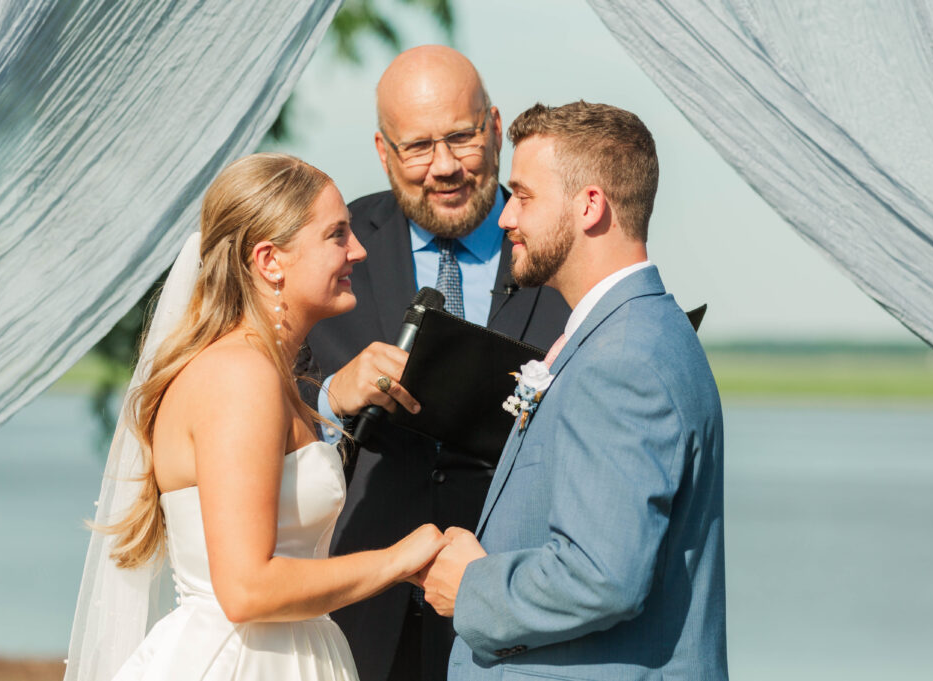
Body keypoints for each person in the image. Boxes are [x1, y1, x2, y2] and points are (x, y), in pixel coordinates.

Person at [64, 153, 449, 681]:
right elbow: (246, 589)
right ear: (270, 261)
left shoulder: (269, 373)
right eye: (337, 235)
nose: (358, 250)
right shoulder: (240, 376)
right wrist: (398, 560)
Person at [418, 102, 728, 679]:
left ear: (590, 205)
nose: (506, 217)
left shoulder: (624, 359)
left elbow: (601, 577)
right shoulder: (634, 332)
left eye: (525, 196)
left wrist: (472, 587)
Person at [303, 46, 570, 681]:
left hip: (511, 623)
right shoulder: (329, 248)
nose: (444, 167)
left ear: (496, 128)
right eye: (418, 147)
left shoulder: (563, 248)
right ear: (382, 150)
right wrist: (331, 397)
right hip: (358, 618)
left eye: (461, 138)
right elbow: (263, 402)